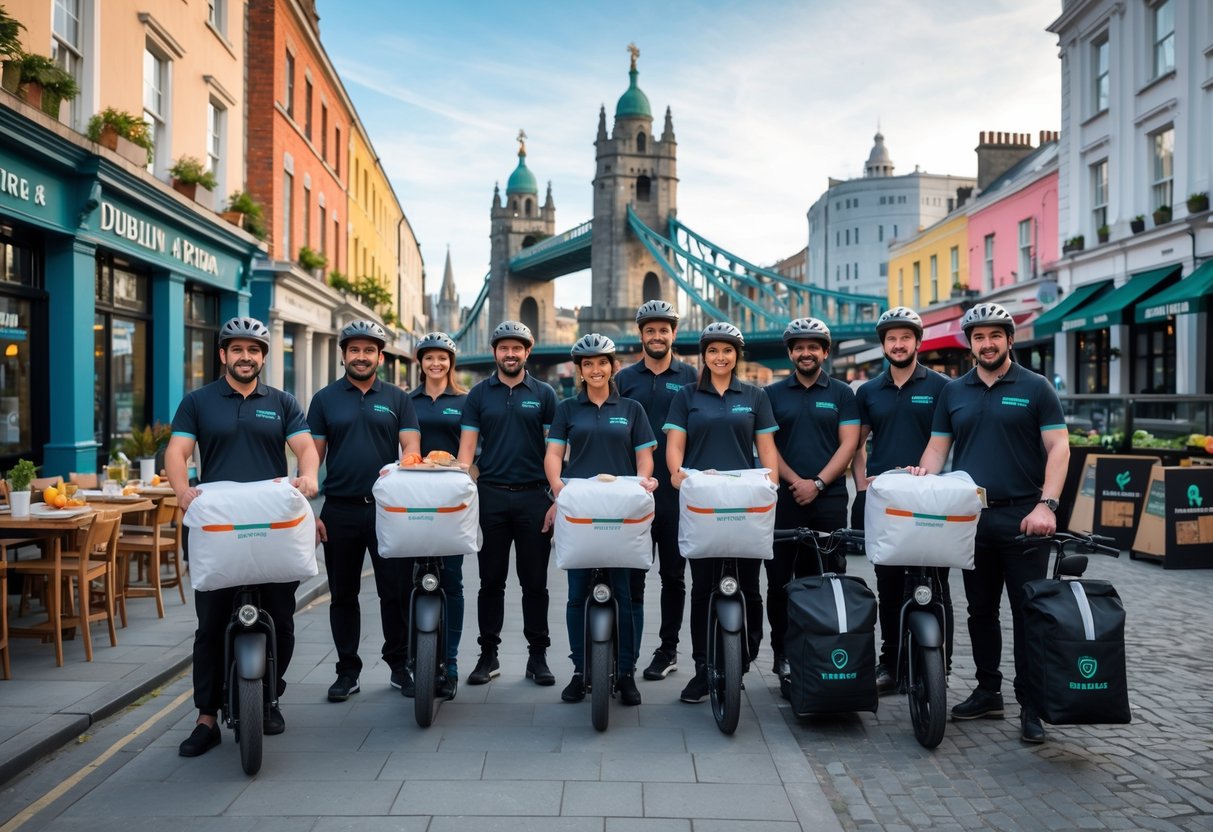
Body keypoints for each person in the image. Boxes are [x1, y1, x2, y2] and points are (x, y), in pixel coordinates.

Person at [907, 302, 1068, 744]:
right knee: (980, 610)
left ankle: (1031, 704)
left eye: (995, 335)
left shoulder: (1035, 387)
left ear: (1009, 340)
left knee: (1028, 613)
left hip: (1024, 518)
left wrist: (1046, 505)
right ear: (970, 343)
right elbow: (938, 449)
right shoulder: (953, 392)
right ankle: (988, 690)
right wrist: (923, 479)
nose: (988, 343)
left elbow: (1058, 447)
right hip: (971, 516)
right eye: (979, 337)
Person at [168, 316, 320, 757]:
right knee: (211, 625)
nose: (246, 357)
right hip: (216, 526)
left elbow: (306, 447)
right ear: (223, 355)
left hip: (271, 525)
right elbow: (177, 451)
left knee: (282, 618)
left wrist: (308, 476)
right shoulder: (198, 402)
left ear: (263, 358)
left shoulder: (283, 401)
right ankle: (206, 717)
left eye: (254, 350)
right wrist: (181, 490)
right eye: (237, 349)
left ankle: (269, 696)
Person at [664, 322, 780, 703]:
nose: (720, 357)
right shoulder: (686, 395)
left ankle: (742, 657)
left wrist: (772, 485)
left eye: (727, 351)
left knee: (749, 584)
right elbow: (675, 445)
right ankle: (702, 668)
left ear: (736, 356)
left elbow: (766, 449)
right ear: (704, 356)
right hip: (701, 500)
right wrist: (676, 474)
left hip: (744, 499)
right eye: (713, 351)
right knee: (702, 587)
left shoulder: (755, 396)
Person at [307, 320, 420, 703]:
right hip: (339, 509)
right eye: (354, 350)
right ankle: (347, 671)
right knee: (343, 594)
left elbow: (411, 450)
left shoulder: (398, 399)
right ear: (343, 355)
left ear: (380, 356)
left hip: (387, 510)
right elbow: (312, 459)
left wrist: (407, 468)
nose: (361, 356)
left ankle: (399, 665)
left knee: (396, 591)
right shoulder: (324, 400)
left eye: (369, 350)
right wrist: (309, 509)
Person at [542, 334, 658, 706]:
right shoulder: (567, 409)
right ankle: (580, 671)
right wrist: (558, 490)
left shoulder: (632, 409)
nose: (595, 369)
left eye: (602, 363)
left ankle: (626, 673)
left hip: (622, 505)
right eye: (587, 364)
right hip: (581, 504)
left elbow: (644, 457)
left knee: (626, 593)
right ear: (579, 370)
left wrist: (645, 481)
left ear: (613, 367)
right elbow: (554, 454)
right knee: (577, 593)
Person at [851, 307, 953, 695]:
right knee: (889, 588)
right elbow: (857, 445)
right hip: (886, 504)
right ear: (884, 345)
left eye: (905, 338)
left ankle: (938, 669)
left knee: (937, 585)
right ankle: (891, 663)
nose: (898, 344)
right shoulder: (870, 392)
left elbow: (947, 440)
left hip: (929, 503)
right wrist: (862, 489)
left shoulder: (942, 387)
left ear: (917, 342)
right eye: (891, 339)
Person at [458, 320, 558, 686]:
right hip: (492, 497)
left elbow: (555, 450)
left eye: (518, 348)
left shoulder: (545, 394)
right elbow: (466, 452)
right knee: (490, 582)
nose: (511, 354)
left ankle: (538, 657)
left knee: (535, 584)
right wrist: (464, 489)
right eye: (504, 348)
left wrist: (556, 497)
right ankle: (488, 655)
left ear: (527, 352)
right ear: (495, 352)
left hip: (535, 497)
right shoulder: (479, 395)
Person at [763, 318, 859, 685]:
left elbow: (849, 444)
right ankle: (783, 654)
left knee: (826, 581)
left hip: (830, 500)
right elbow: (766, 447)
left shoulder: (842, 393)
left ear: (825, 351)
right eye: (799, 347)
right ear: (790, 353)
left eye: (813, 346)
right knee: (778, 583)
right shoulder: (771, 395)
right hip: (783, 500)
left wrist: (817, 483)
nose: (806, 352)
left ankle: (820, 654)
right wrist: (795, 481)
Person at [615, 300, 698, 681]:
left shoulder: (692, 377)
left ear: (673, 334)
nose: (657, 336)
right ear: (641, 335)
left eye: (664, 329)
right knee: (632, 573)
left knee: (674, 576)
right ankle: (625, 653)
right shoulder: (624, 378)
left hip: (675, 493)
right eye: (650, 330)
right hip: (635, 490)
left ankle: (667, 649)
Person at [403, 331, 468, 700]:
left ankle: (452, 663)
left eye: (442, 358)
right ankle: (414, 662)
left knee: (453, 581)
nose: (436, 364)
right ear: (420, 362)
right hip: (411, 501)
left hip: (449, 500)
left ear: (451, 362)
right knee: (407, 581)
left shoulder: (465, 401)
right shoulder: (405, 400)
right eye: (429, 358)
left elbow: (474, 448)